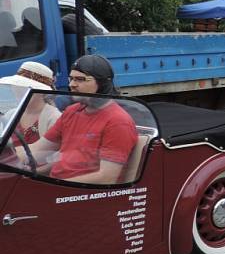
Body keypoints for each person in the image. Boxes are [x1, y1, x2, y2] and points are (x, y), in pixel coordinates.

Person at [21, 55, 137, 183]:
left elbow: (106, 177)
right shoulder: (72, 111)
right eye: (70, 79)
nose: (72, 85)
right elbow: (37, 149)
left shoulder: (118, 122)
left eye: (80, 79)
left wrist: (57, 185)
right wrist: (8, 155)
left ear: (103, 82)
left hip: (82, 194)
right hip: (57, 186)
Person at [0, 62, 61, 145]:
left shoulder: (54, 118)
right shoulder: (11, 115)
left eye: (25, 87)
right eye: (16, 85)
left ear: (41, 92)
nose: (18, 89)